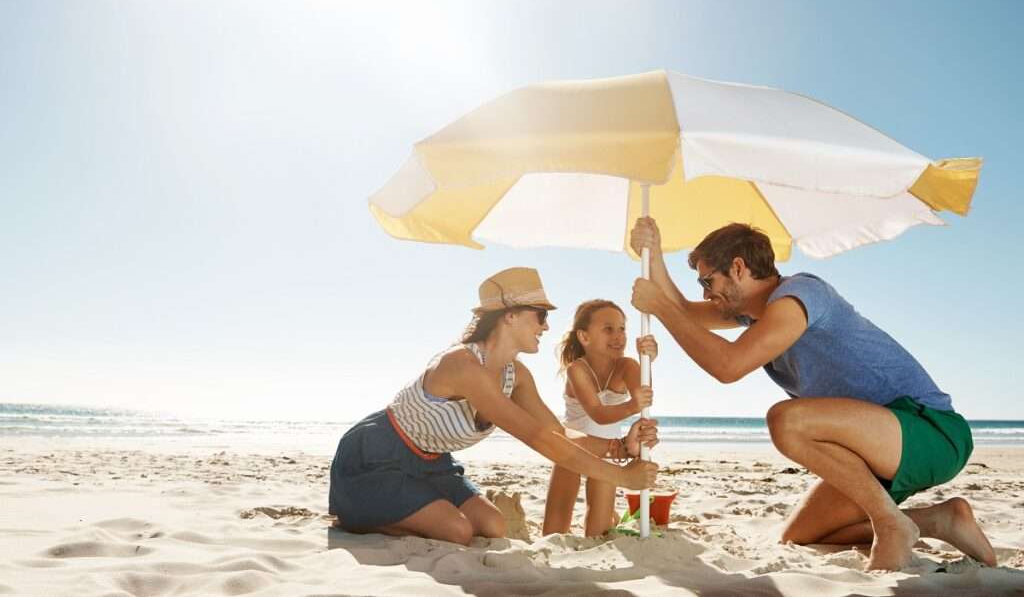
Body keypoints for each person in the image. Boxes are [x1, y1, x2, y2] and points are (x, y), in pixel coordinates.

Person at [629, 217, 995, 571]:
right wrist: (655, 256)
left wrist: (659, 307)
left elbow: (728, 365)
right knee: (801, 537)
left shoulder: (799, 296)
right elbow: (688, 317)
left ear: (738, 268)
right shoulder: (756, 315)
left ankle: (890, 523)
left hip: (930, 432)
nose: (706, 294)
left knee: (787, 420)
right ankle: (939, 520)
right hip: (875, 451)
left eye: (709, 281)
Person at [329, 267, 659, 545]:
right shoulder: (463, 366)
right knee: (457, 530)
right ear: (510, 316)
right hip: (377, 455)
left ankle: (416, 506)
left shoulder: (518, 376)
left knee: (493, 526)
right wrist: (622, 477)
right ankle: (358, 513)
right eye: (541, 315)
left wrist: (620, 447)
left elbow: (556, 433)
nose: (546, 326)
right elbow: (541, 441)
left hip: (433, 463)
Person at [542, 299, 657, 537]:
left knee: (597, 532)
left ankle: (610, 517)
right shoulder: (577, 370)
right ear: (584, 337)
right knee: (554, 531)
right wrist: (633, 405)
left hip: (608, 452)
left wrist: (648, 362)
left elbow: (643, 395)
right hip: (573, 449)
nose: (619, 336)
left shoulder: (628, 366)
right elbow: (598, 414)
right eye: (608, 329)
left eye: (622, 328)